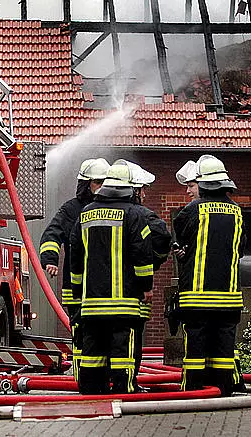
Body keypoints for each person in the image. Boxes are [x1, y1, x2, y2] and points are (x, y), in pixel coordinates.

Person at [69, 160, 156, 395]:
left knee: (93, 349)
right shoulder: (134, 214)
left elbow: (75, 255)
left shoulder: (86, 213)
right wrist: (146, 287)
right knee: (121, 350)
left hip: (91, 304)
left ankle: (90, 389)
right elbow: (142, 255)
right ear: (129, 188)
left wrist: (77, 290)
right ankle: (124, 388)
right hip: (123, 303)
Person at [172, 154, 245, 397]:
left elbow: (180, 234)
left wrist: (186, 252)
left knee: (195, 348)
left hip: (197, 298)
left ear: (203, 183)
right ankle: (224, 390)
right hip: (229, 298)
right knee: (224, 349)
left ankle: (193, 391)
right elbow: (241, 249)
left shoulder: (192, 210)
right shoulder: (236, 211)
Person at [39, 158, 110, 380]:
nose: (102, 187)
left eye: (106, 182)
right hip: (77, 288)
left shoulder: (115, 208)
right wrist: (50, 259)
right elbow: (52, 234)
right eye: (98, 182)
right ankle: (82, 378)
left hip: (107, 288)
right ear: (86, 185)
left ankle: (106, 378)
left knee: (107, 335)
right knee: (80, 334)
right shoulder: (72, 209)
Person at [115, 159, 170, 390]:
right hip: (132, 293)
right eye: (142, 190)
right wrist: (153, 261)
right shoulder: (141, 215)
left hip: (99, 296)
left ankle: (108, 383)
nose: (145, 195)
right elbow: (163, 237)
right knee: (131, 339)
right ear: (134, 191)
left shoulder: (94, 213)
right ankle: (128, 383)